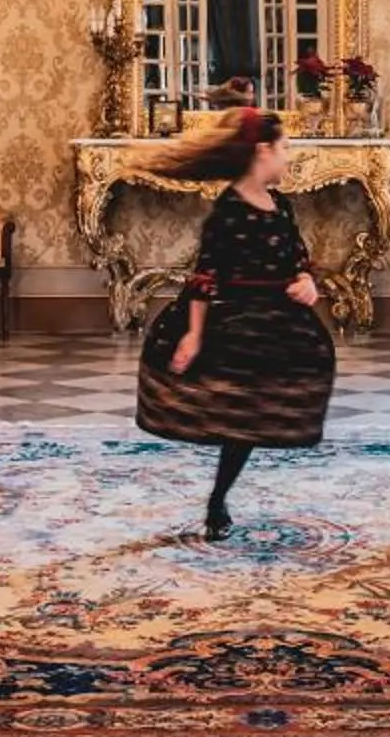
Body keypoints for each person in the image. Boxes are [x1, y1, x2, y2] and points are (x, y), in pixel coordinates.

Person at [134, 108, 335, 540]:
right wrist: (193, 334)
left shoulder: (281, 204)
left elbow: (298, 260)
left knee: (259, 414)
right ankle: (217, 502)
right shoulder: (227, 211)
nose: (288, 158)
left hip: (280, 323)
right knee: (239, 419)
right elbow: (205, 277)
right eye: (284, 149)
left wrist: (306, 283)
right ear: (262, 151)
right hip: (237, 323)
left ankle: (218, 498)